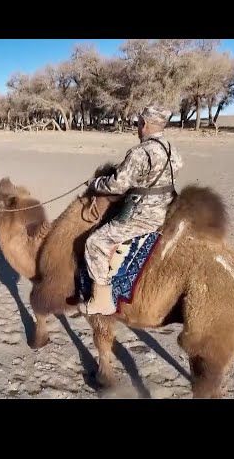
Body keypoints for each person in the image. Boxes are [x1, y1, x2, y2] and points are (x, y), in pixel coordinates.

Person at [79, 104, 183, 316]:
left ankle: (102, 301)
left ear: (144, 124)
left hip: (145, 216)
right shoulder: (172, 150)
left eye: (139, 123)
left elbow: (117, 185)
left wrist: (94, 183)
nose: (138, 127)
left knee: (95, 242)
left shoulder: (140, 152)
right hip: (170, 209)